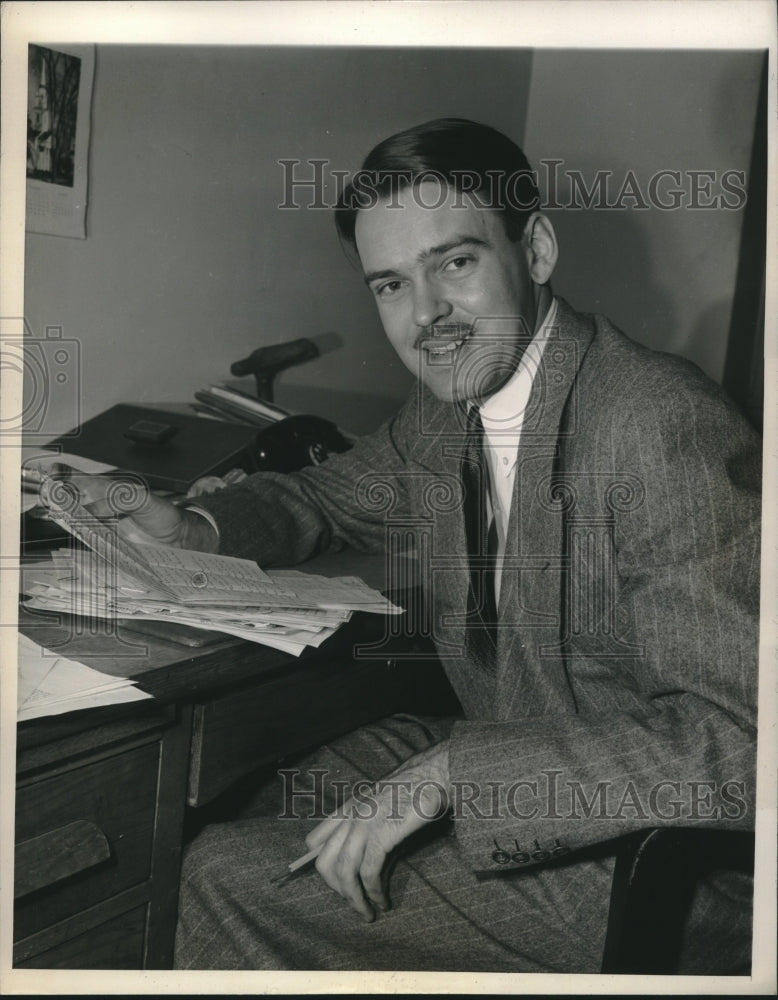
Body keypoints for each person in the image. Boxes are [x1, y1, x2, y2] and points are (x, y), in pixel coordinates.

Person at [73, 119, 761, 973]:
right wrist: (196, 527)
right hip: (526, 750)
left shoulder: (658, 424)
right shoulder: (447, 411)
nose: (426, 315)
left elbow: (742, 739)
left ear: (536, 249)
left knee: (228, 875)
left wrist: (449, 776)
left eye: (456, 263)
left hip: (667, 859)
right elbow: (329, 496)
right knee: (248, 801)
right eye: (392, 285)